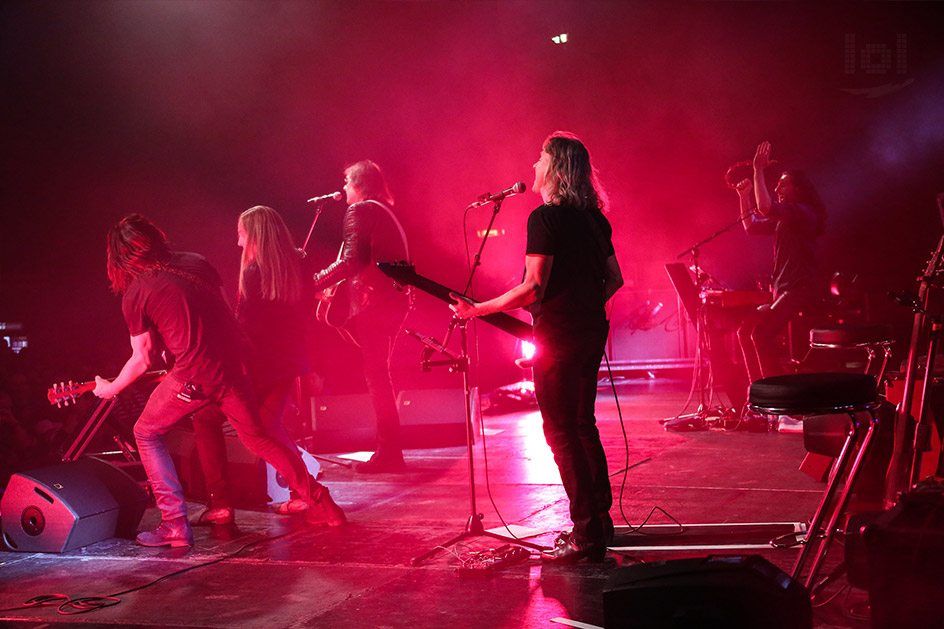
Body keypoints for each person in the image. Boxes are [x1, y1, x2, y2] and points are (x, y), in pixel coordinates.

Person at [93, 214, 344, 548]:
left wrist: (109, 389)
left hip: (195, 375)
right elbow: (224, 314)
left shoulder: (135, 293)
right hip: (236, 368)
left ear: (119, 257)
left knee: (146, 431)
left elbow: (142, 358)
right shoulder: (196, 262)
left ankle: (174, 524)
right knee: (259, 437)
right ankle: (323, 504)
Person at [449, 132, 623, 563]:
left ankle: (585, 535)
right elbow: (614, 280)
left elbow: (532, 288)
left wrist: (476, 310)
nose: (534, 164)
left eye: (541, 157)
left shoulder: (546, 219)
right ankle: (600, 524)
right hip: (589, 333)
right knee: (584, 425)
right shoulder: (596, 220)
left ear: (557, 167)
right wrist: (582, 305)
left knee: (560, 432)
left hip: (558, 338)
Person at [190, 206, 315, 524]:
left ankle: (219, 504)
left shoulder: (255, 271)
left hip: (259, 366)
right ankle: (309, 496)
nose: (238, 243)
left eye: (241, 234)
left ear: (256, 234)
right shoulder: (299, 262)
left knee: (205, 419)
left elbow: (244, 329)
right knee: (271, 426)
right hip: (289, 362)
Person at [312, 160, 411, 473]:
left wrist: (313, 283)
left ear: (358, 184)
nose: (343, 188)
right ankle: (390, 451)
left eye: (346, 182)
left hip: (375, 304)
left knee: (377, 378)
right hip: (392, 303)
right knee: (380, 376)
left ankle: (390, 455)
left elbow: (353, 260)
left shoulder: (360, 210)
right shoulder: (383, 210)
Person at [733, 141, 826, 388]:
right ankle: (760, 396)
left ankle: (774, 397)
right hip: (783, 292)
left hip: (799, 290)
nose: (776, 187)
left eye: (782, 183)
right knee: (747, 332)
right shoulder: (785, 217)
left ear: (797, 188)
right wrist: (743, 197)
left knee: (761, 335)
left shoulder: (803, 212)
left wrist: (758, 170)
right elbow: (751, 227)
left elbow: (764, 208)